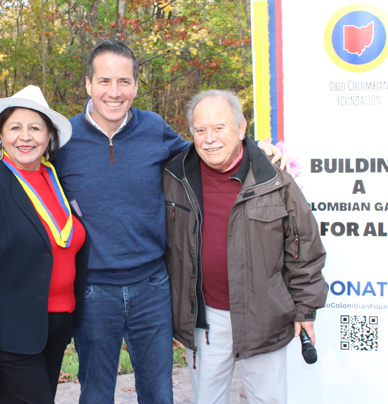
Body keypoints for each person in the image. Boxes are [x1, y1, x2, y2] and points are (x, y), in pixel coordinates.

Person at [54, 39, 285, 404]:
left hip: (152, 286)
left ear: (135, 85)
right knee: (96, 392)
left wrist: (257, 149)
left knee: (159, 393)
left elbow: (208, 150)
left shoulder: (153, 128)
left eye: (124, 81)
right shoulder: (63, 140)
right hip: (94, 290)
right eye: (104, 81)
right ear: (87, 84)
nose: (114, 92)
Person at [162, 90, 328, 404]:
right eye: (200, 130)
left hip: (263, 316)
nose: (209, 138)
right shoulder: (173, 176)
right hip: (205, 319)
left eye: (219, 127)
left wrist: (305, 308)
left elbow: (303, 246)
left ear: (241, 128)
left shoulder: (274, 180)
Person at [0, 85, 89, 403]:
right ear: (1, 134)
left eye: (35, 128)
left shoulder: (56, 181)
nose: (25, 137)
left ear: (48, 136)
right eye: (15, 127)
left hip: (55, 327)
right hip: (10, 334)